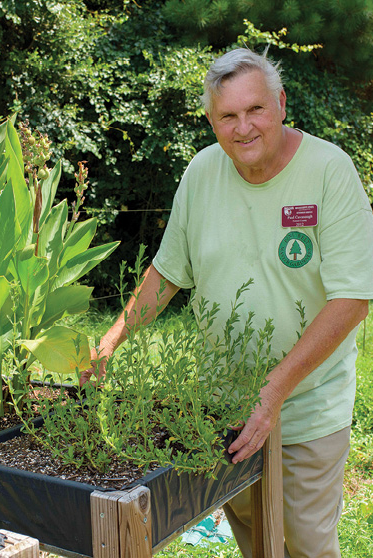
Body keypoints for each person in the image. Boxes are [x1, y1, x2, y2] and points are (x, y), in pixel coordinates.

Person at [81, 48, 373, 557]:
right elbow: (167, 275)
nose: (244, 128)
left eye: (255, 109)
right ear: (212, 121)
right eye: (228, 116)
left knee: (305, 544)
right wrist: (111, 340)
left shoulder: (330, 171)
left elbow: (352, 298)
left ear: (281, 104)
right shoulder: (202, 172)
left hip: (307, 407)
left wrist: (275, 389)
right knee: (256, 542)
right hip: (224, 413)